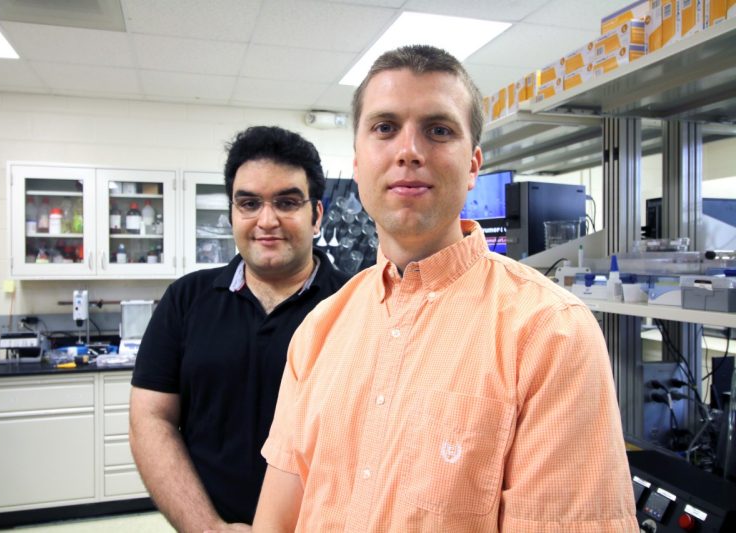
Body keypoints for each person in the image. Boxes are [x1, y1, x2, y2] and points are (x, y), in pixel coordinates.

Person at [254, 46, 638, 532]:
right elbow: (277, 517)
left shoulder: (548, 334)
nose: (408, 150)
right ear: (357, 162)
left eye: (439, 130)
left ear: (473, 164)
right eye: (385, 127)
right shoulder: (319, 330)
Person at [129, 125, 350, 531]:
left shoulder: (358, 305)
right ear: (232, 212)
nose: (267, 220)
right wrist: (207, 527)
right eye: (249, 203)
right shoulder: (186, 300)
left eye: (287, 202)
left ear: (316, 214)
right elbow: (150, 419)